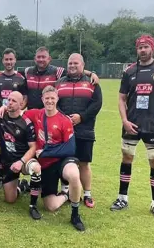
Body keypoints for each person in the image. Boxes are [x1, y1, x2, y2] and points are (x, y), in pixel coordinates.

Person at [110, 35, 154, 218]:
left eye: (146, 47)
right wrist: (124, 120)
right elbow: (121, 98)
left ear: (152, 48)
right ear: (136, 50)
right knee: (127, 158)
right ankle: (122, 197)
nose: (143, 50)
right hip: (131, 124)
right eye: (140, 47)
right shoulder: (129, 71)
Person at [21, 46, 99, 194]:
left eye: (44, 57)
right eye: (39, 57)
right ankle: (50, 187)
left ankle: (82, 193)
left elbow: (96, 103)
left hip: (76, 126)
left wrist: (91, 73)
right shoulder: (32, 73)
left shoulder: (63, 73)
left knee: (80, 161)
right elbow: (11, 72)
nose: (41, 59)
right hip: (45, 122)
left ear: (49, 58)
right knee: (51, 155)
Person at [24, 86, 85, 231]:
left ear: (57, 99)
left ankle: (75, 215)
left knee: (74, 174)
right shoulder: (36, 114)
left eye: (52, 98)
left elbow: (70, 148)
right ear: (42, 99)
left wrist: (46, 152)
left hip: (62, 160)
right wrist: (2, 109)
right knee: (50, 206)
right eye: (47, 98)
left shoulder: (64, 120)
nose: (50, 101)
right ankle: (66, 194)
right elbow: (18, 113)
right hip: (46, 166)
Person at [56, 53, 102, 208]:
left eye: (75, 63)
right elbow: (54, 104)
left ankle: (87, 194)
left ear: (83, 65)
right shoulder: (59, 83)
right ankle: (65, 191)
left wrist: (81, 117)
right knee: (64, 161)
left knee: (84, 163)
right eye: (70, 63)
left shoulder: (91, 82)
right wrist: (64, 119)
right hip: (64, 131)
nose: (72, 66)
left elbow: (96, 104)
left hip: (85, 131)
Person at [0, 91, 42, 220]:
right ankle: (22, 186)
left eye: (14, 101)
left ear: (21, 104)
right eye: (8, 100)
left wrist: (21, 162)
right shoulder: (0, 116)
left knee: (36, 168)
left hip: (23, 161)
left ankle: (33, 206)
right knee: (10, 199)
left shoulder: (26, 122)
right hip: (8, 163)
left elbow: (33, 147)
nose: (9, 103)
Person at [0, 48, 28, 189]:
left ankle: (17, 176)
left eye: (11, 59)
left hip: (16, 119)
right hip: (1, 119)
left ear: (15, 60)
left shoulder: (21, 78)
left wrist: (20, 110)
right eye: (6, 59)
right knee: (1, 147)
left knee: (16, 146)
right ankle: (1, 176)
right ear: (3, 60)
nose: (9, 62)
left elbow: (25, 97)